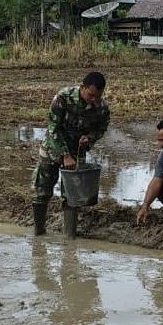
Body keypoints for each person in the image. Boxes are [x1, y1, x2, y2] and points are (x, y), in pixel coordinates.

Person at [32, 71, 109, 235]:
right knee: (42, 191)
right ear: (83, 87)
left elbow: (101, 128)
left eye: (98, 96)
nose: (94, 100)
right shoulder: (63, 97)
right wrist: (65, 155)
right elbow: (53, 128)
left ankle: (69, 238)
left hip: (77, 150)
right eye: (91, 95)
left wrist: (89, 138)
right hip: (53, 147)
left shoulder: (101, 108)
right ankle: (38, 233)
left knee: (73, 196)